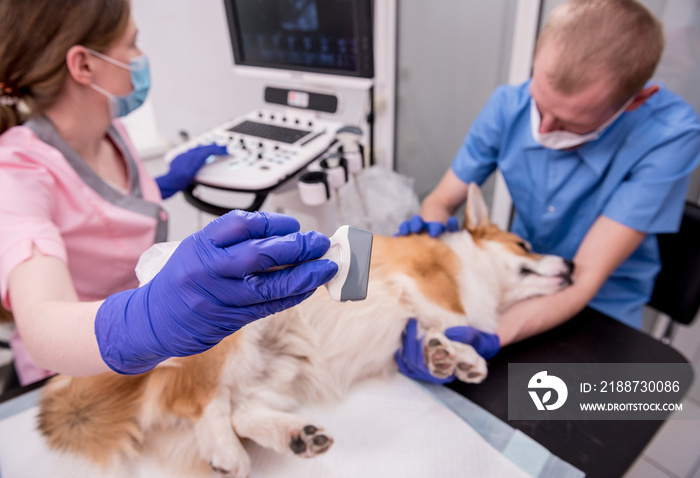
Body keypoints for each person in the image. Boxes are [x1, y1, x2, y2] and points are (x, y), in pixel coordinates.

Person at [0, 0, 337, 385]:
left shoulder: (109, 128)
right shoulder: (15, 173)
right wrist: (147, 316)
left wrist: (164, 184)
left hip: (143, 354)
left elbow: (92, 209)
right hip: (75, 378)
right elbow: (42, 327)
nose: (140, 57)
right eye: (132, 43)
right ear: (84, 65)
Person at [395, 0, 700, 383]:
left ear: (635, 101)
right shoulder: (510, 105)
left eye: (570, 122)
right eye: (540, 103)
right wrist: (429, 246)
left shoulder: (669, 137)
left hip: (602, 305)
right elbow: (441, 200)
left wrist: (486, 337)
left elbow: (586, 276)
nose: (543, 125)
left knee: (563, 418)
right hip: (518, 279)